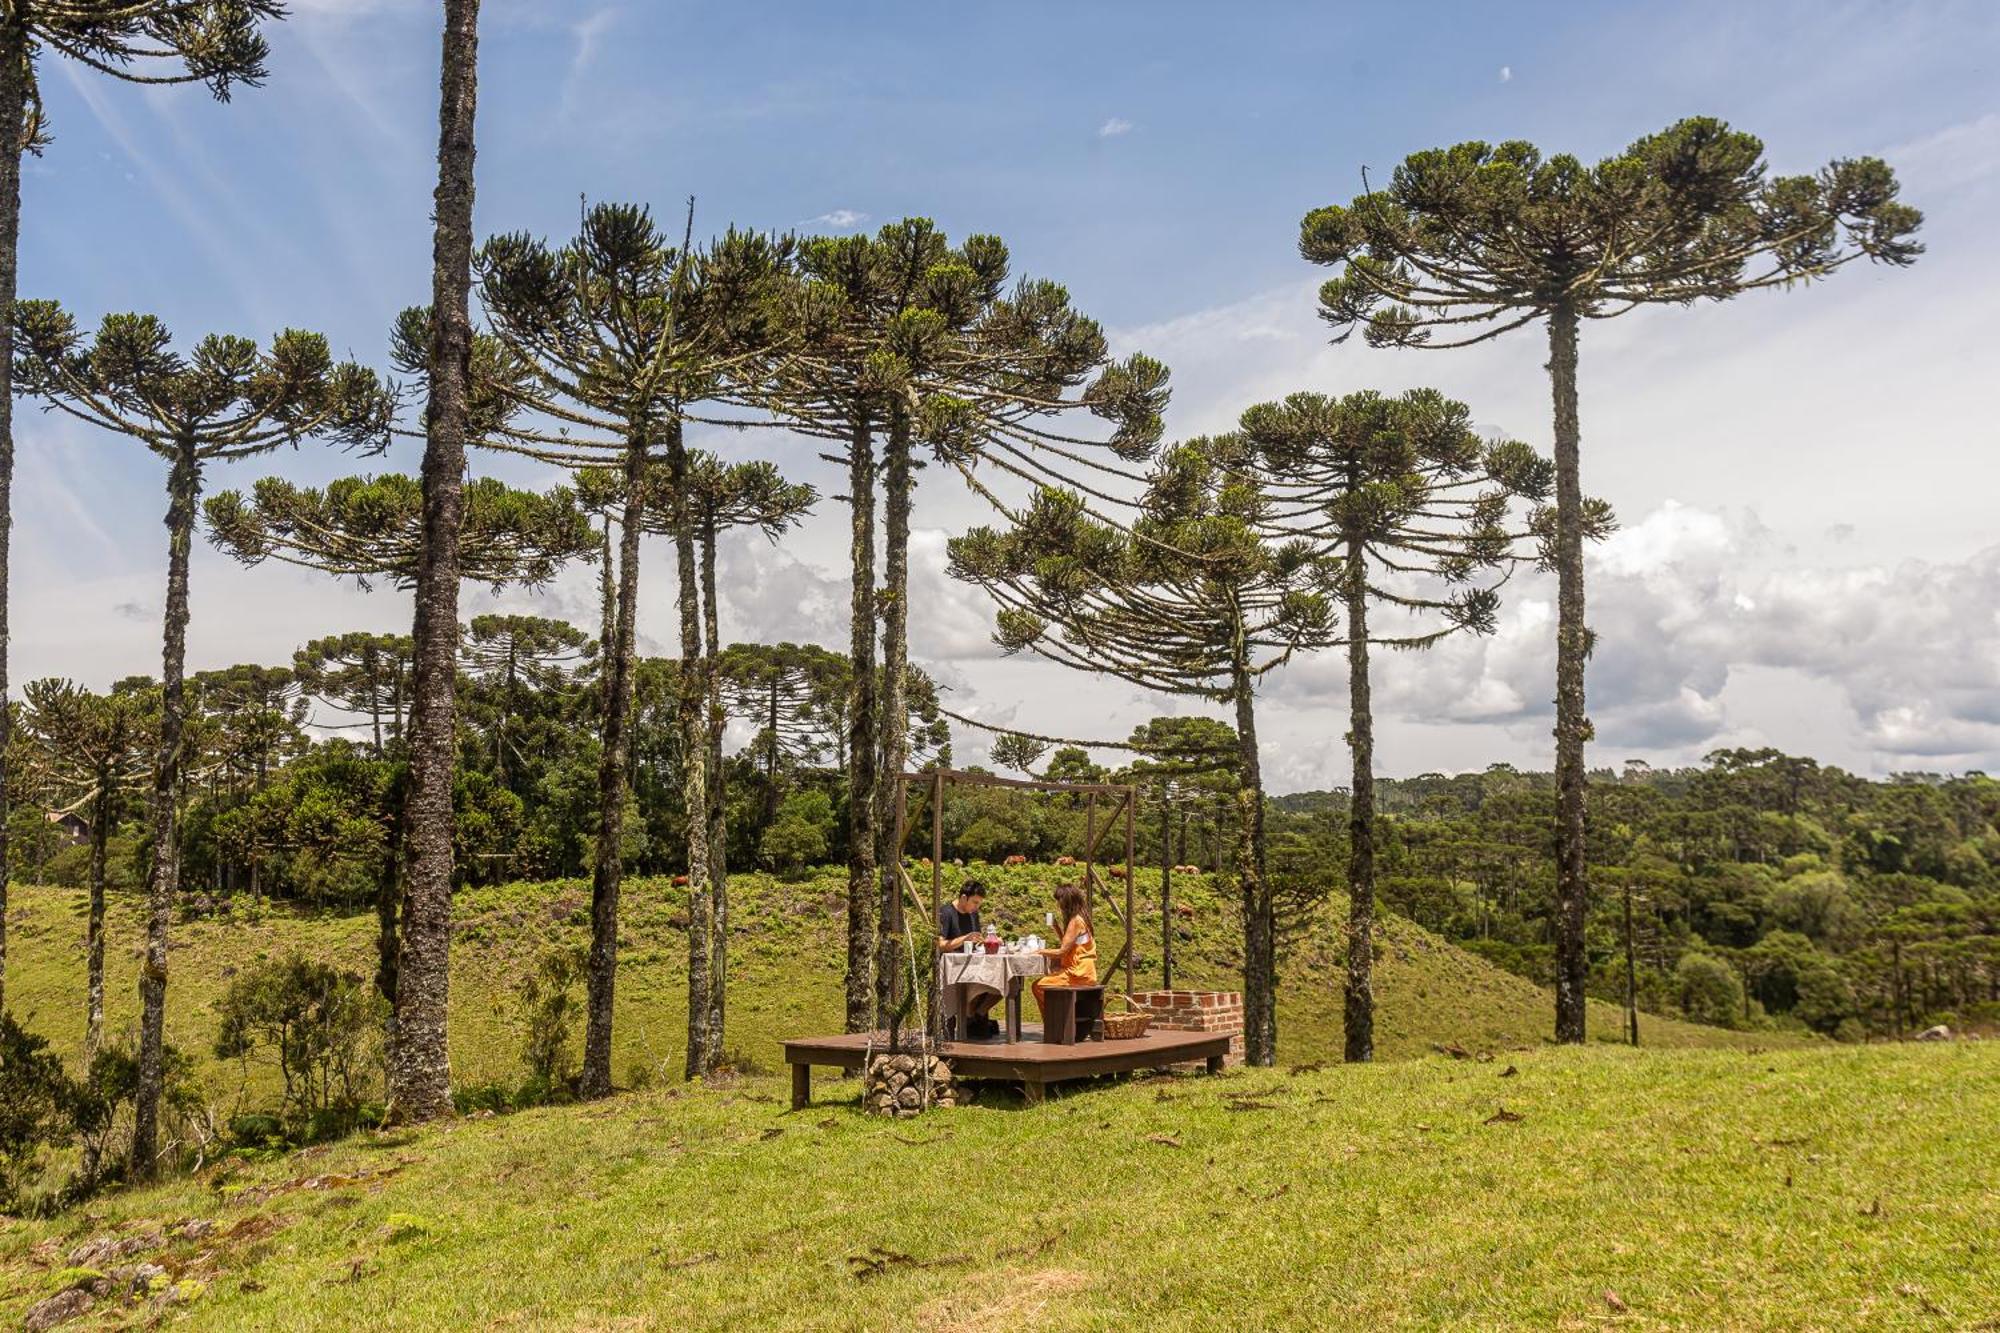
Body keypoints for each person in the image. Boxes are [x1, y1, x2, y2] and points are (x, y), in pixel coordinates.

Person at [937, 880, 1001, 1038]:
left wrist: (990, 941)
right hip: (950, 970)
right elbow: (940, 944)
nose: (976, 907)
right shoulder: (946, 913)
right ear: (964, 898)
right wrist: (965, 938)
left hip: (973, 966)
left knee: (1003, 982)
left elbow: (976, 940)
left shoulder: (973, 914)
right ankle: (967, 1017)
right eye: (975, 902)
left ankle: (975, 1014)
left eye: (979, 903)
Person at [1032, 881, 1098, 1017]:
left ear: (1066, 902)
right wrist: (1056, 927)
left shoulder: (1075, 921)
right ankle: (1055, 1019)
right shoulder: (1081, 918)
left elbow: (1062, 951)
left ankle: (1055, 1020)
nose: (1058, 905)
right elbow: (1068, 944)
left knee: (1038, 986)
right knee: (1042, 984)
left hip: (1078, 974)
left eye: (1059, 901)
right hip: (1085, 972)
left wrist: (1039, 951)